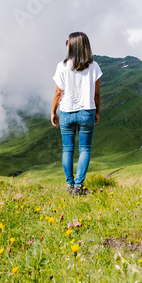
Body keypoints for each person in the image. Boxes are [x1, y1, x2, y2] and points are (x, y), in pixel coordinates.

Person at [51, 32, 102, 196]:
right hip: (86, 111)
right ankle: (78, 187)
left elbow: (58, 93)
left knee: (67, 149)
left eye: (67, 42)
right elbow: (97, 94)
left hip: (66, 111)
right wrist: (97, 112)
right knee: (85, 149)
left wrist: (53, 112)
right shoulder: (94, 66)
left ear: (71, 45)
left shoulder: (62, 66)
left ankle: (69, 184)